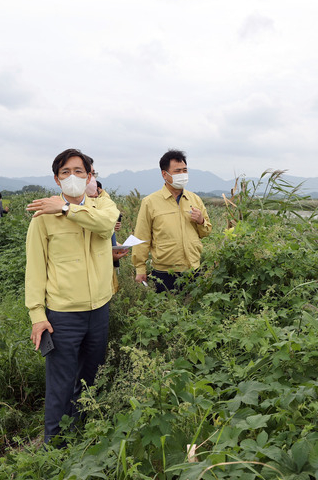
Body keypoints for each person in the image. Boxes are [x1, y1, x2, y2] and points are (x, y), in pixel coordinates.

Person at [24, 148, 120, 445]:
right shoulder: (42, 219)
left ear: (90, 176)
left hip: (99, 309)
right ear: (56, 179)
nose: (73, 177)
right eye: (65, 172)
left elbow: (106, 226)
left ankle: (82, 434)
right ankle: (54, 446)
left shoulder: (103, 208)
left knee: (90, 376)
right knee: (61, 383)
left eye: (79, 171)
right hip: (63, 315)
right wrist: (37, 316)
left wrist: (66, 209)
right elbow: (36, 269)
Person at [132, 149, 212, 292]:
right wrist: (140, 268)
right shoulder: (150, 202)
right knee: (166, 311)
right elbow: (141, 237)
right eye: (177, 171)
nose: (182, 175)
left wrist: (201, 221)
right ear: (164, 174)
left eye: (185, 170)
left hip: (193, 269)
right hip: (165, 272)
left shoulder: (195, 199)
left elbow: (206, 232)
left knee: (193, 311)